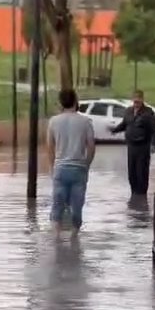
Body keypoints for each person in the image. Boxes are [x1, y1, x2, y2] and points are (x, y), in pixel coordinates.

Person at [47, 88, 96, 236]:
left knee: (57, 206)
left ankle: (56, 241)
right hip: (79, 168)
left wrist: (52, 167)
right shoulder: (86, 121)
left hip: (60, 168)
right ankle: (74, 240)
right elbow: (91, 147)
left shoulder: (53, 121)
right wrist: (86, 165)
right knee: (77, 206)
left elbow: (49, 147)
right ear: (76, 101)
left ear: (61, 103)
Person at [109, 90, 155, 199]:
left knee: (141, 171)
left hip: (143, 146)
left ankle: (141, 195)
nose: (136, 101)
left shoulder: (148, 113)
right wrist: (114, 130)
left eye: (138, 99)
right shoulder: (128, 111)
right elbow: (124, 124)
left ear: (142, 99)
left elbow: (154, 129)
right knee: (132, 171)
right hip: (131, 146)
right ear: (132, 99)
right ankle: (134, 194)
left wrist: (154, 144)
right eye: (135, 99)